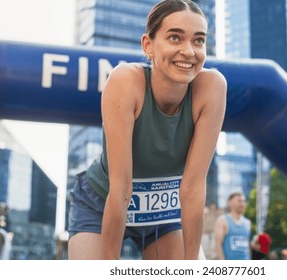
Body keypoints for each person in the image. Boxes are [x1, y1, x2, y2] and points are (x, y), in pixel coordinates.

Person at [68, 0, 227, 260]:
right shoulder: (125, 80)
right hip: (104, 200)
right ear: (148, 45)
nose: (188, 51)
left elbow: (193, 187)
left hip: (164, 209)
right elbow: (121, 189)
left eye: (198, 41)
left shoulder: (212, 87)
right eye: (175, 37)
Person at [214, 192, 252, 260]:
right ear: (230, 203)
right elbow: (218, 245)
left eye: (243, 201)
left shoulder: (248, 223)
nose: (242, 204)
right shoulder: (223, 221)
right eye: (239, 201)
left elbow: (247, 247)